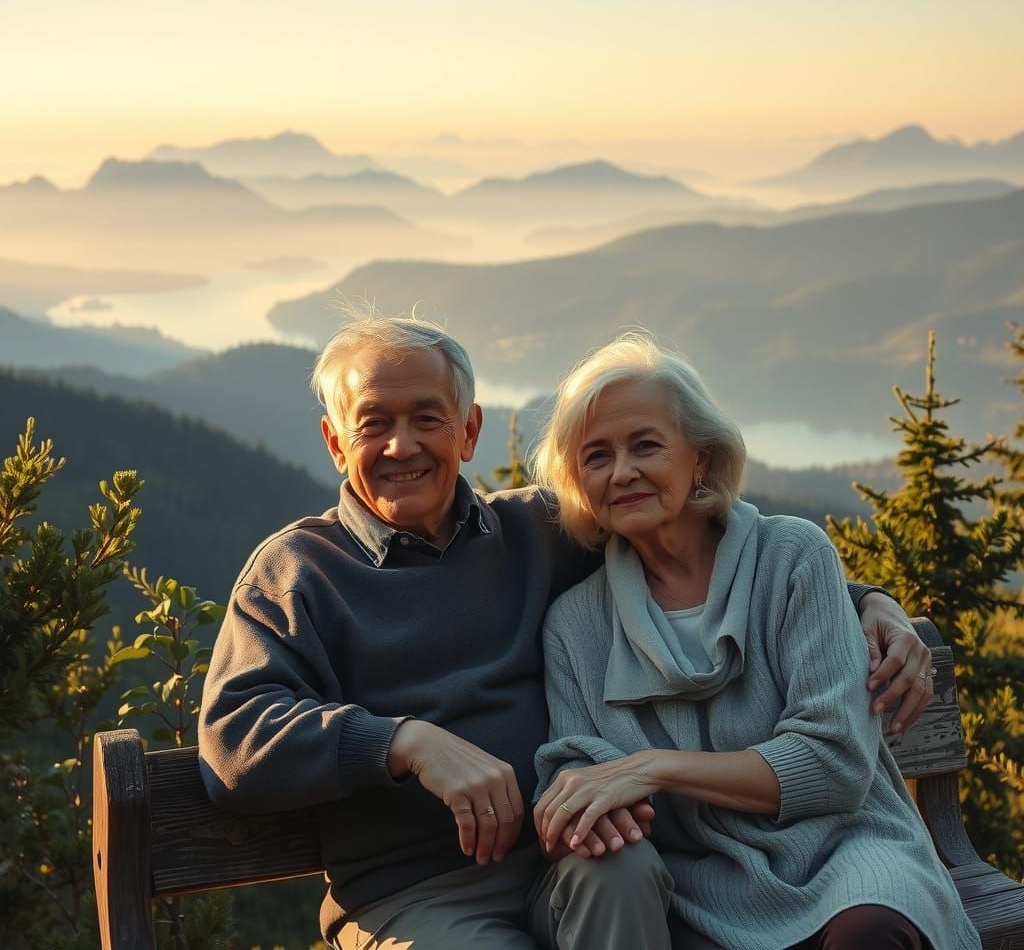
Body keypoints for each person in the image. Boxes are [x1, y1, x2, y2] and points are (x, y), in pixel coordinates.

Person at [198, 312, 935, 950]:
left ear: (469, 431)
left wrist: (868, 603)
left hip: (574, 859)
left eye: (427, 418)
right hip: (420, 892)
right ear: (335, 442)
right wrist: (403, 743)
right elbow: (233, 737)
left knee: (626, 870)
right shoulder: (297, 572)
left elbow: (698, 544)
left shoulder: (536, 532)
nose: (402, 446)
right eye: (374, 424)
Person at [531, 333, 979, 950]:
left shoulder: (793, 556)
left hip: (843, 851)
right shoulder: (574, 626)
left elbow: (834, 765)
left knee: (871, 933)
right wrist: (584, 809)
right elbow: (577, 779)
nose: (623, 471)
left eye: (646, 445)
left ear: (701, 460)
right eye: (597, 456)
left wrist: (650, 769)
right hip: (696, 883)